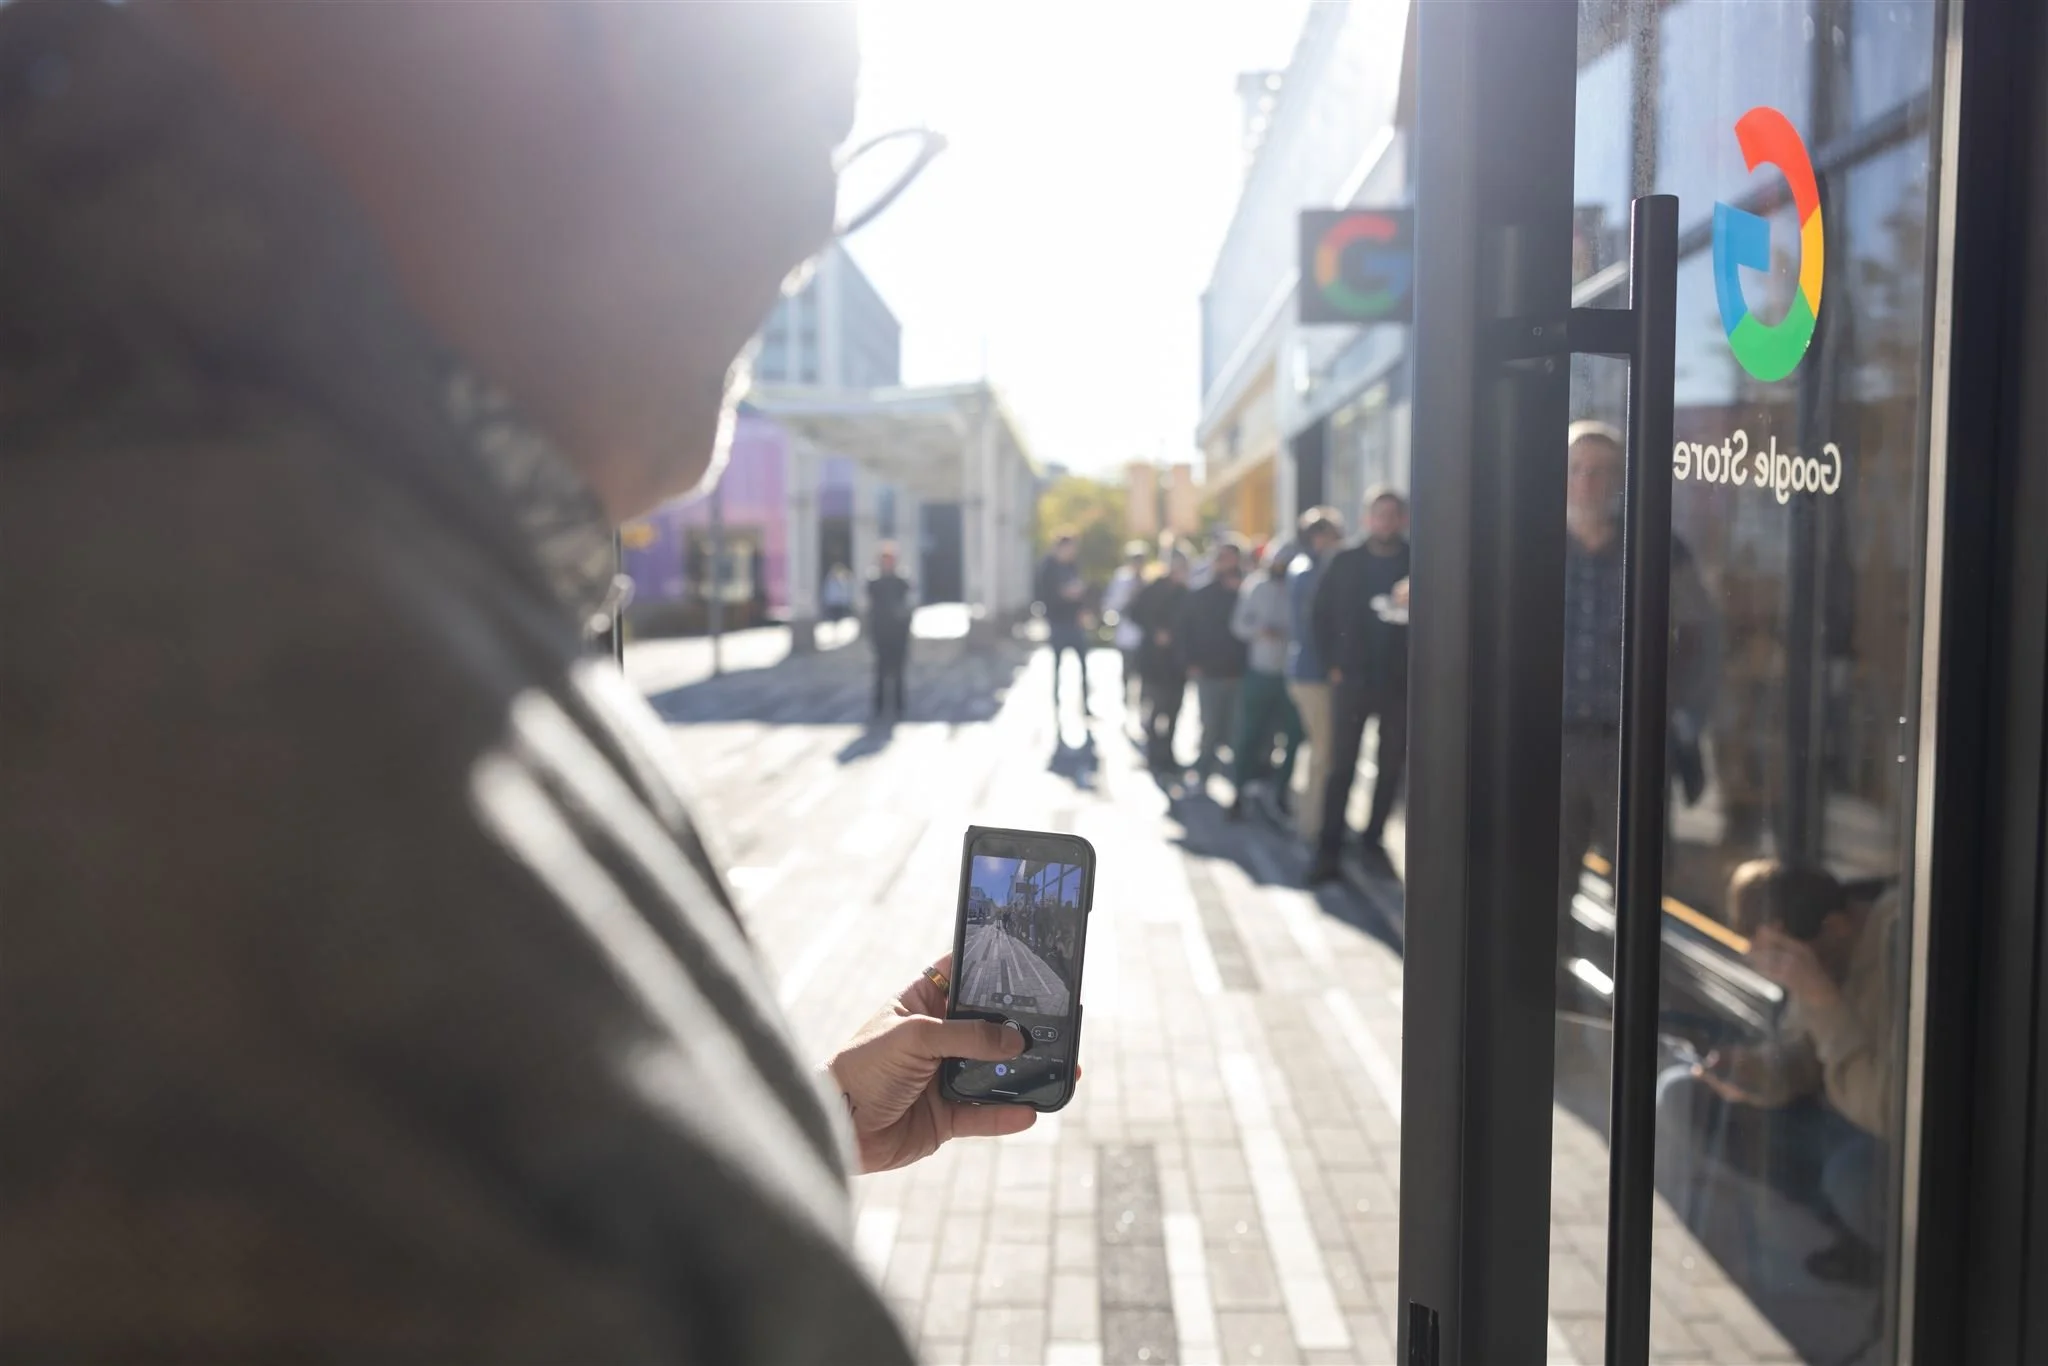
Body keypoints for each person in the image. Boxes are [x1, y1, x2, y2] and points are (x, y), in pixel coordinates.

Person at [0, 4, 1036, 1359]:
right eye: (802, 121)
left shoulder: (237, 516)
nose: (804, 223)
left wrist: (782, 1132)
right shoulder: (290, 707)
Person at [1655, 862, 1899, 1286]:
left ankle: (1882, 1251)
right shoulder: (1824, 943)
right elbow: (1799, 1054)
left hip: (1886, 1139)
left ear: (1838, 928)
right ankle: (1847, 1228)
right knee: (1683, 1094)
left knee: (1853, 1177)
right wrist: (1755, 1074)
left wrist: (1820, 995)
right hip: (1836, 1113)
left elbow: (1886, 1112)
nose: (1785, 975)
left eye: (1784, 960)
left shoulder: (1898, 943)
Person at [1555, 421, 1720, 981]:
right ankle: (1554, 985)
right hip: (1553, 741)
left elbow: (1700, 636)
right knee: (1550, 872)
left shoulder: (1656, 545)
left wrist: (1680, 712)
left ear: (1620, 479)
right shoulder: (1535, 545)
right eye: (1577, 468)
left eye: (1600, 470)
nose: (1586, 481)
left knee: (1640, 872)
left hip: (1632, 742)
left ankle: (1638, 984)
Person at [1308, 491, 1411, 883]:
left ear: (1400, 519)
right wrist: (1331, 663)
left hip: (1400, 683)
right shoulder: (1346, 561)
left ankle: (1372, 841)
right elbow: (1319, 614)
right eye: (1378, 514)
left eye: (1392, 514)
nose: (1385, 521)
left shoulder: (1416, 560)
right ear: (1367, 519)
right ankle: (1328, 848)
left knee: (1390, 767)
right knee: (1342, 766)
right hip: (1351, 679)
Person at [1230, 541, 1304, 821]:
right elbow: (1239, 624)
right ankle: (1240, 789)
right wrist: (1260, 630)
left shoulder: (1300, 585)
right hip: (1261, 671)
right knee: (1249, 734)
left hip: (1291, 674)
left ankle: (1280, 791)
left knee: (1293, 736)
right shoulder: (1257, 586)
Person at [1286, 508, 1346, 843]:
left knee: (1320, 749)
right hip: (1314, 672)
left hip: (1309, 669)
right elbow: (1317, 625)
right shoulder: (1313, 570)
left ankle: (1312, 818)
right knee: (1322, 751)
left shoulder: (1305, 567)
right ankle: (1312, 825)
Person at [1177, 540, 1248, 782]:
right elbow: (1186, 629)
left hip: (1239, 670)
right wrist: (1190, 661)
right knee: (1210, 723)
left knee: (1236, 727)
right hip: (1209, 670)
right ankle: (1204, 769)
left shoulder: (1247, 590)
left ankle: (1237, 775)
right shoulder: (1202, 594)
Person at [1127, 551, 1192, 774]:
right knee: (1156, 707)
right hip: (1154, 661)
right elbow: (1134, 613)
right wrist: (1155, 632)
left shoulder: (1186, 594)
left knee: (1174, 709)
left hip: (1176, 662)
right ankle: (1154, 753)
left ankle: (1168, 753)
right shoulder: (1153, 590)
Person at [1035, 533, 1092, 724]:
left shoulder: (1072, 566)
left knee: (1084, 665)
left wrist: (1082, 609)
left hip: (1075, 623)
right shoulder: (1048, 568)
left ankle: (1085, 704)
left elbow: (1081, 592)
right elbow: (1044, 596)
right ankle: (1056, 704)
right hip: (1058, 623)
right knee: (1057, 666)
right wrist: (1063, 595)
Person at [866, 543, 914, 721]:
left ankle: (899, 706)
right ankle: (879, 707)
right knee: (880, 671)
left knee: (899, 672)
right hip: (881, 632)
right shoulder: (875, 582)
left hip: (898, 633)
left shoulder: (901, 582)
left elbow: (906, 604)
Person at [1102, 542, 1150, 714]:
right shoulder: (1121, 580)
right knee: (1127, 669)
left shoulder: (1148, 579)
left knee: (1144, 671)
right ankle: (1126, 699)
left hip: (1144, 634)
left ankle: (1142, 701)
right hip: (1127, 632)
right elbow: (1111, 604)